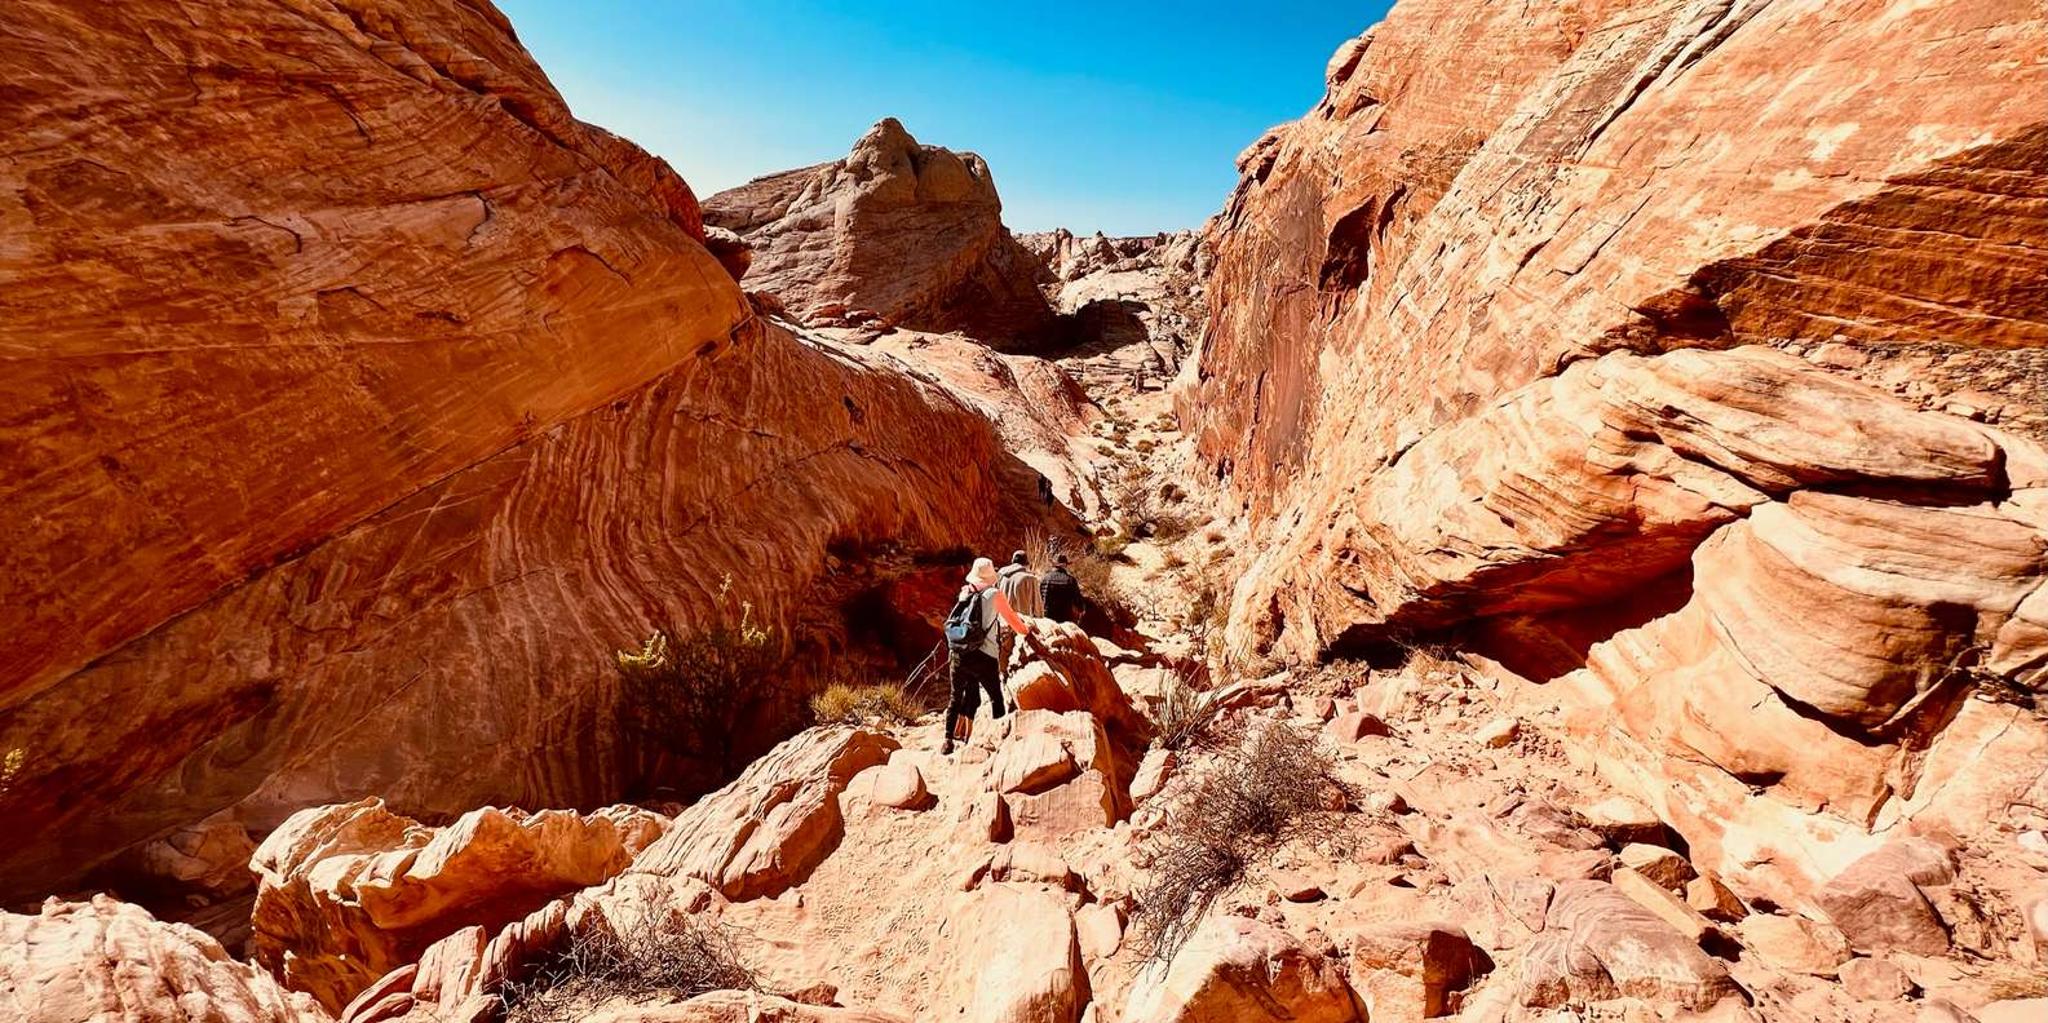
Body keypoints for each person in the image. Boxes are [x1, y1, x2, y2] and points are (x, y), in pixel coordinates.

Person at [943, 557, 1038, 755]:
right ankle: (1001, 740)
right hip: (984, 655)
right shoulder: (994, 594)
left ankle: (948, 741)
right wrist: (1027, 630)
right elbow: (1013, 621)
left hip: (959, 653)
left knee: (955, 698)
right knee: (996, 698)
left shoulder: (965, 592)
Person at [996, 550, 1042, 674]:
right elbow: (1037, 605)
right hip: (1020, 623)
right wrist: (1039, 623)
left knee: (1003, 656)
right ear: (1025, 563)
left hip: (1002, 621)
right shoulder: (1030, 579)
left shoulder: (1001, 575)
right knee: (1021, 661)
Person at [1040, 553, 1081, 624]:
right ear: (1065, 565)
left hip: (1048, 620)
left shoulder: (1045, 579)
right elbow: (1078, 602)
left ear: (1054, 565)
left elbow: (1040, 598)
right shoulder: (1070, 580)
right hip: (1065, 620)